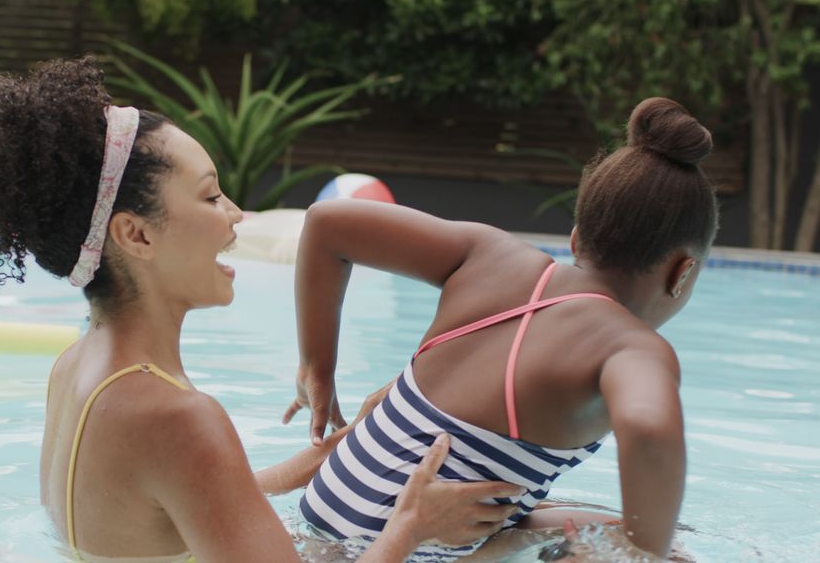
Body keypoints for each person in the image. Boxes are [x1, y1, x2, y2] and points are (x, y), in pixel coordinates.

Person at [0, 56, 523, 562]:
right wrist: (414, 526)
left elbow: (182, 509)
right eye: (211, 195)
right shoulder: (178, 417)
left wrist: (326, 455)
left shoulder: (78, 368)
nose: (236, 213)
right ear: (136, 236)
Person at [284, 97, 717, 559]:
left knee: (590, 518)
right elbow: (650, 431)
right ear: (682, 273)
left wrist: (317, 366)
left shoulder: (487, 254)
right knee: (667, 544)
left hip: (310, 526)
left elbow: (327, 223)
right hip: (395, 550)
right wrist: (642, 551)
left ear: (576, 237)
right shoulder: (629, 347)